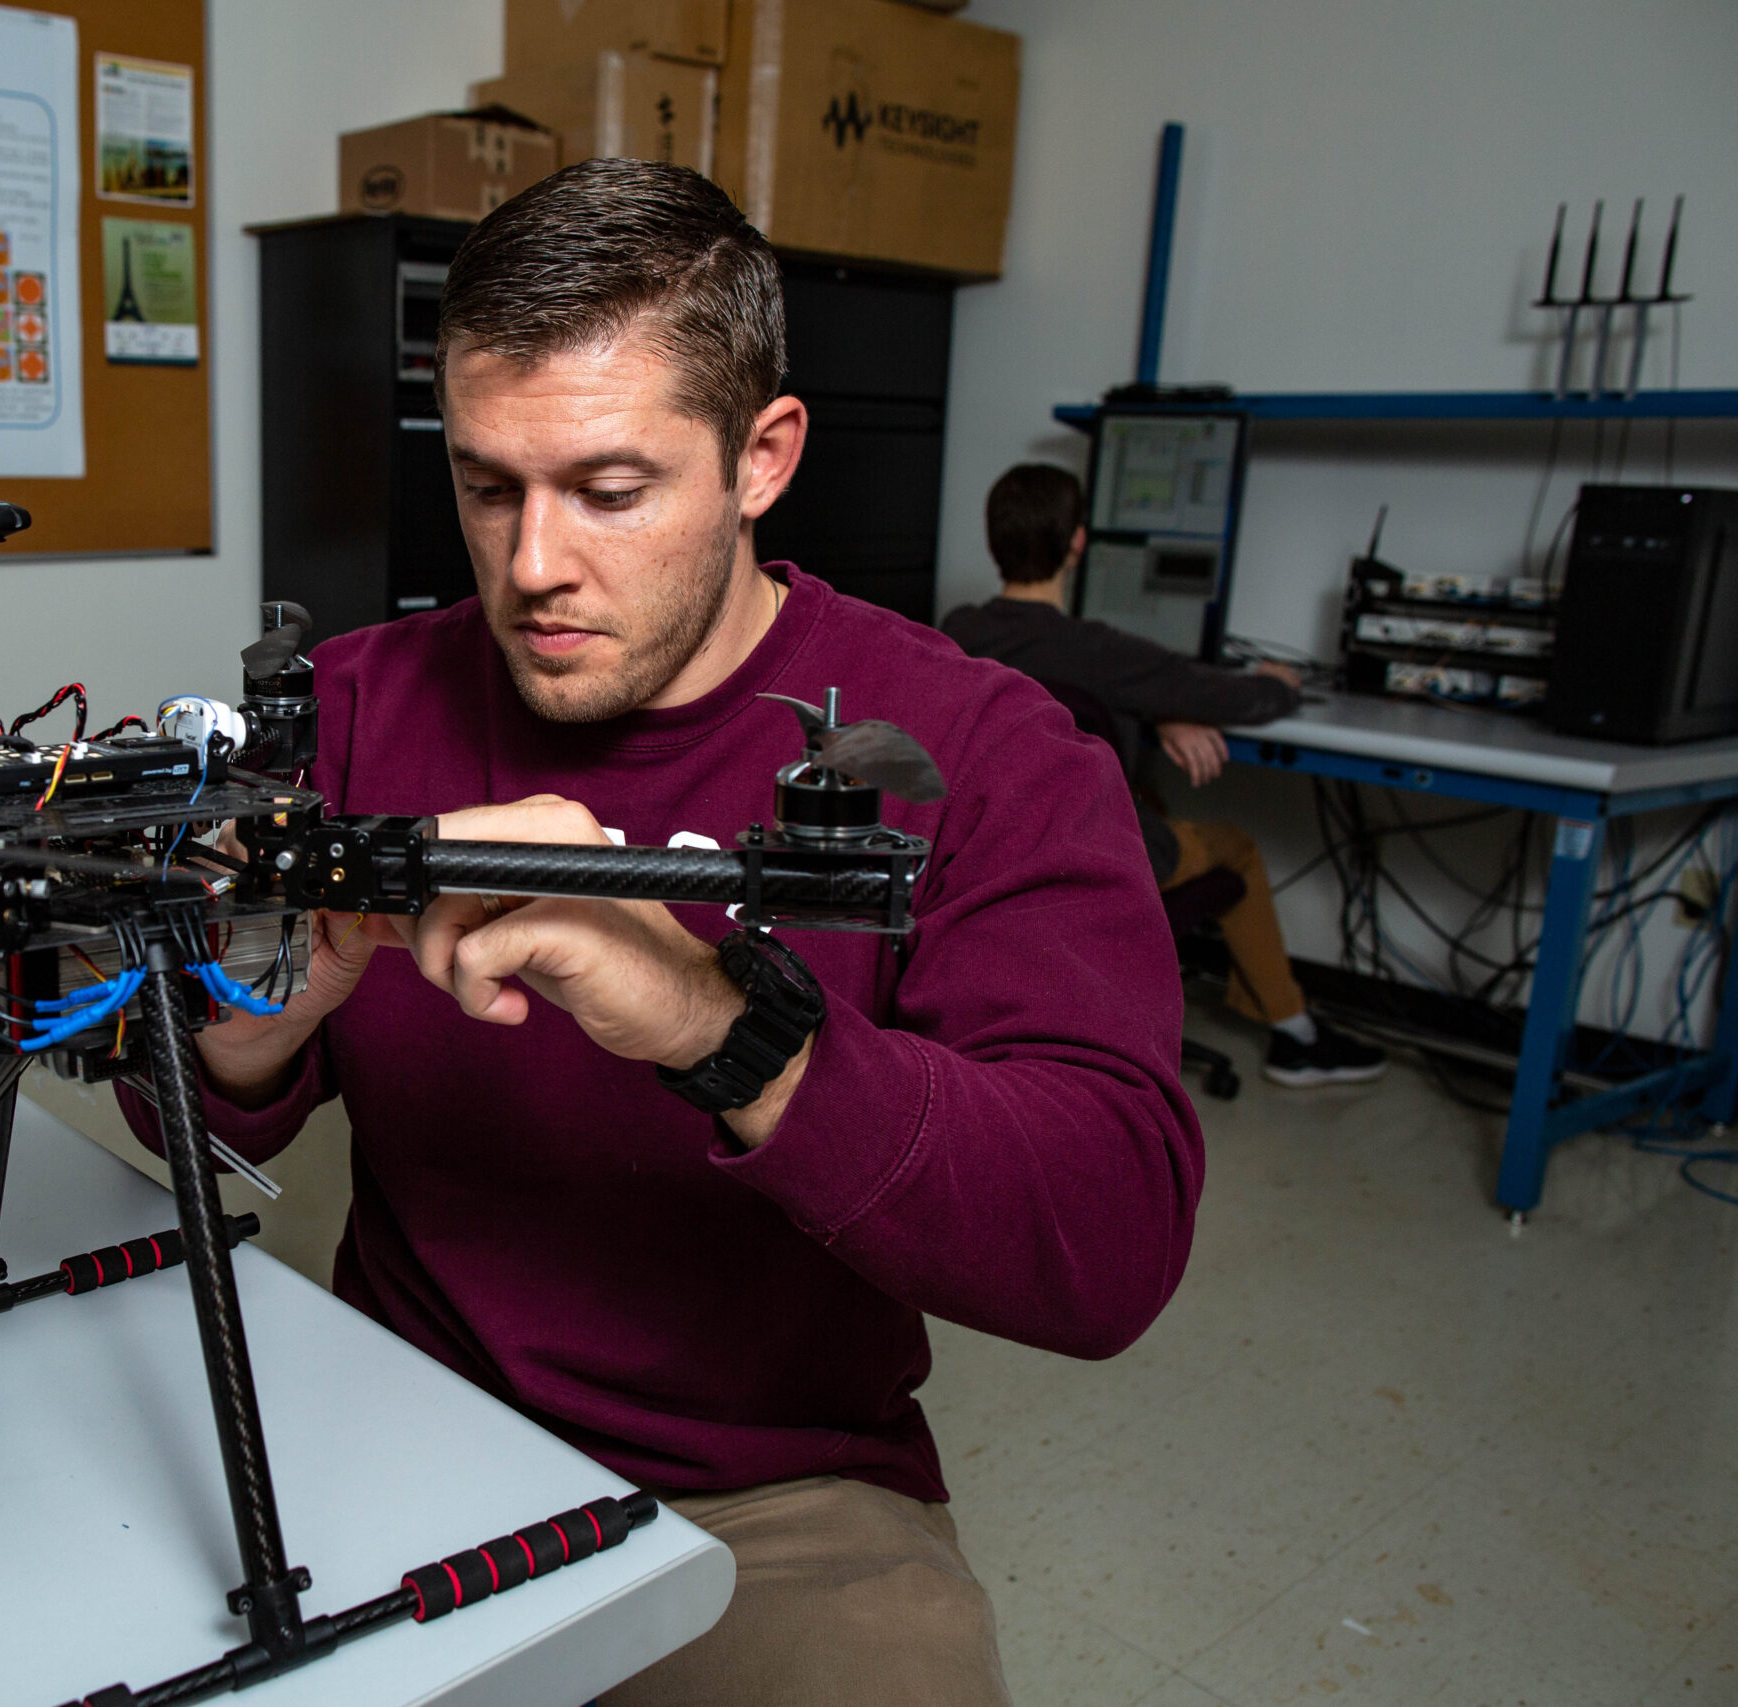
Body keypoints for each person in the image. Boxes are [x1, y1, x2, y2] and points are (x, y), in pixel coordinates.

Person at [120, 161, 1204, 1707]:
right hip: (395, 1409)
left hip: (772, 1498)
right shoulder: (358, 704)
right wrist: (251, 1013)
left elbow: (1110, 1244)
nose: (534, 564)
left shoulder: (982, 746)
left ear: (763, 457)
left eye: (610, 491)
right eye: (489, 485)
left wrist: (712, 1016)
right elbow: (178, 1111)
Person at [940, 463, 1388, 1087]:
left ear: (994, 542)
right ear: (1078, 541)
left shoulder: (958, 631)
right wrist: (1275, 685)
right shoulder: (1102, 651)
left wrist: (1160, 711)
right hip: (1088, 850)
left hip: (987, 849)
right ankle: (1296, 1034)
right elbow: (1235, 700)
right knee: (1239, 849)